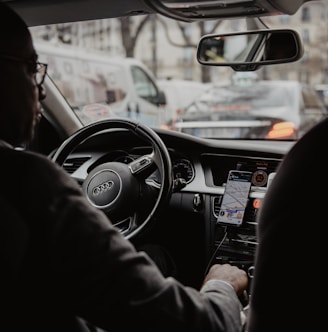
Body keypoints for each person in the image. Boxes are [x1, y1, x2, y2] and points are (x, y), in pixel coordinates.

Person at [0, 3, 248, 332]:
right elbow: (197, 325)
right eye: (32, 69)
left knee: (156, 256)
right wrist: (223, 286)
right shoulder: (29, 182)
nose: (41, 89)